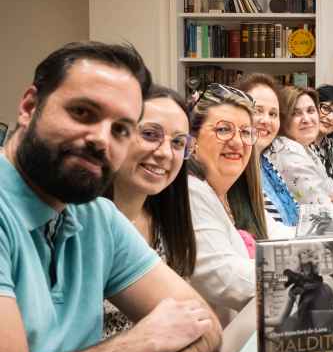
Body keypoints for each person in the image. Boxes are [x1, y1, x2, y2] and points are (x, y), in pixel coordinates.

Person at [0, 42, 220, 352]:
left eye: (121, 129)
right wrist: (144, 340)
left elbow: (204, 326)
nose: (101, 140)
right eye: (83, 112)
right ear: (29, 107)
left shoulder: (96, 217)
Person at [103, 86, 196, 338]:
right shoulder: (81, 225)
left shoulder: (167, 224)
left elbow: (192, 320)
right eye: (149, 134)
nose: (165, 153)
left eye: (178, 142)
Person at [188, 83, 267, 326]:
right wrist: (315, 275)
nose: (237, 142)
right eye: (223, 130)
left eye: (245, 132)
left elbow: (278, 232)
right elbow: (224, 275)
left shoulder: (231, 191)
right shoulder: (190, 191)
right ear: (193, 140)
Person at [236, 74, 301, 229]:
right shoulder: (234, 167)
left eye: (273, 114)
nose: (266, 121)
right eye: (257, 110)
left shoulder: (266, 164)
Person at [266, 86, 333, 205]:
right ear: (282, 119)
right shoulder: (287, 150)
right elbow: (322, 209)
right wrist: (332, 200)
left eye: (311, 111)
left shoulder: (304, 148)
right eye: (296, 113)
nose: (306, 119)